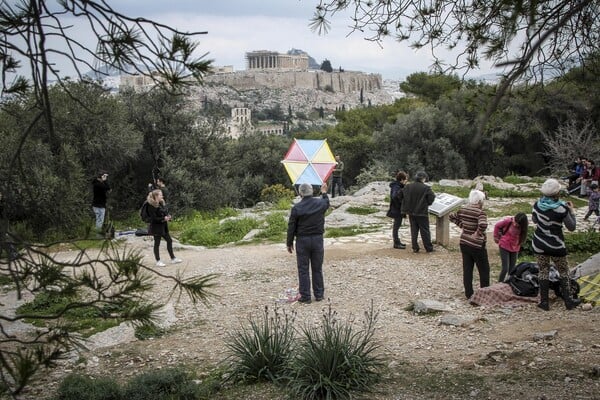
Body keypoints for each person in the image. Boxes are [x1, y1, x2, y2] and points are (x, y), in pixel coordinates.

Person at [532, 178, 580, 311]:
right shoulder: (562, 208)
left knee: (543, 271)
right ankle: (569, 301)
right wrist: (572, 212)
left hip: (539, 243)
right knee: (564, 271)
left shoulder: (537, 205)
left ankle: (544, 302)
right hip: (556, 245)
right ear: (557, 193)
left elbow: (535, 220)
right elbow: (572, 227)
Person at [286, 182, 329, 304]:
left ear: (300, 193)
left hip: (302, 240)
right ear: (312, 191)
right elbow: (327, 203)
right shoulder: (320, 203)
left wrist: (289, 243)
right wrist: (324, 192)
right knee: (317, 268)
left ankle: (305, 296)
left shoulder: (297, 208)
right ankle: (319, 294)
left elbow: (291, 227)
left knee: (303, 269)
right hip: (317, 239)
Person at [449, 189, 490, 299]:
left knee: (467, 269)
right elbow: (483, 225)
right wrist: (477, 234)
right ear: (480, 201)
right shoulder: (480, 212)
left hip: (464, 242)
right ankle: (484, 293)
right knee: (484, 269)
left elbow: (452, 216)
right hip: (477, 244)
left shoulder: (463, 209)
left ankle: (469, 293)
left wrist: (463, 226)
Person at [399, 171, 435, 253]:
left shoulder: (408, 187)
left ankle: (415, 247)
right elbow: (431, 198)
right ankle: (428, 247)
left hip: (411, 212)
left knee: (414, 230)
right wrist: (427, 204)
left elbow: (399, 195)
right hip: (422, 212)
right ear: (423, 178)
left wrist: (406, 203)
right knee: (425, 230)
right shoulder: (426, 188)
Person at [146, 189, 182, 267]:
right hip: (156, 227)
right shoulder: (151, 206)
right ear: (156, 196)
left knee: (169, 240)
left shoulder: (161, 203)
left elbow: (164, 213)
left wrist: (168, 217)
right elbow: (153, 219)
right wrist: (163, 219)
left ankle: (173, 258)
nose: (162, 196)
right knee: (157, 243)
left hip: (163, 227)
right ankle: (158, 261)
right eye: (160, 194)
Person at [493, 213, 529, 282]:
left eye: (517, 224)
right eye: (515, 222)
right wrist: (496, 236)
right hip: (504, 245)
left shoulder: (524, 227)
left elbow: (523, 236)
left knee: (512, 269)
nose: (515, 224)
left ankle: (509, 283)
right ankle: (499, 283)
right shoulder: (508, 221)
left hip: (515, 248)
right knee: (505, 268)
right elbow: (497, 225)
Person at [386, 170, 408, 249]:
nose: (406, 182)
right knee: (396, 226)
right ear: (402, 179)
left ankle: (397, 241)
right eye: (405, 180)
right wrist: (400, 203)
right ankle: (396, 242)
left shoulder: (397, 186)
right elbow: (395, 196)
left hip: (396, 209)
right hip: (397, 209)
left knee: (397, 226)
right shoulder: (397, 187)